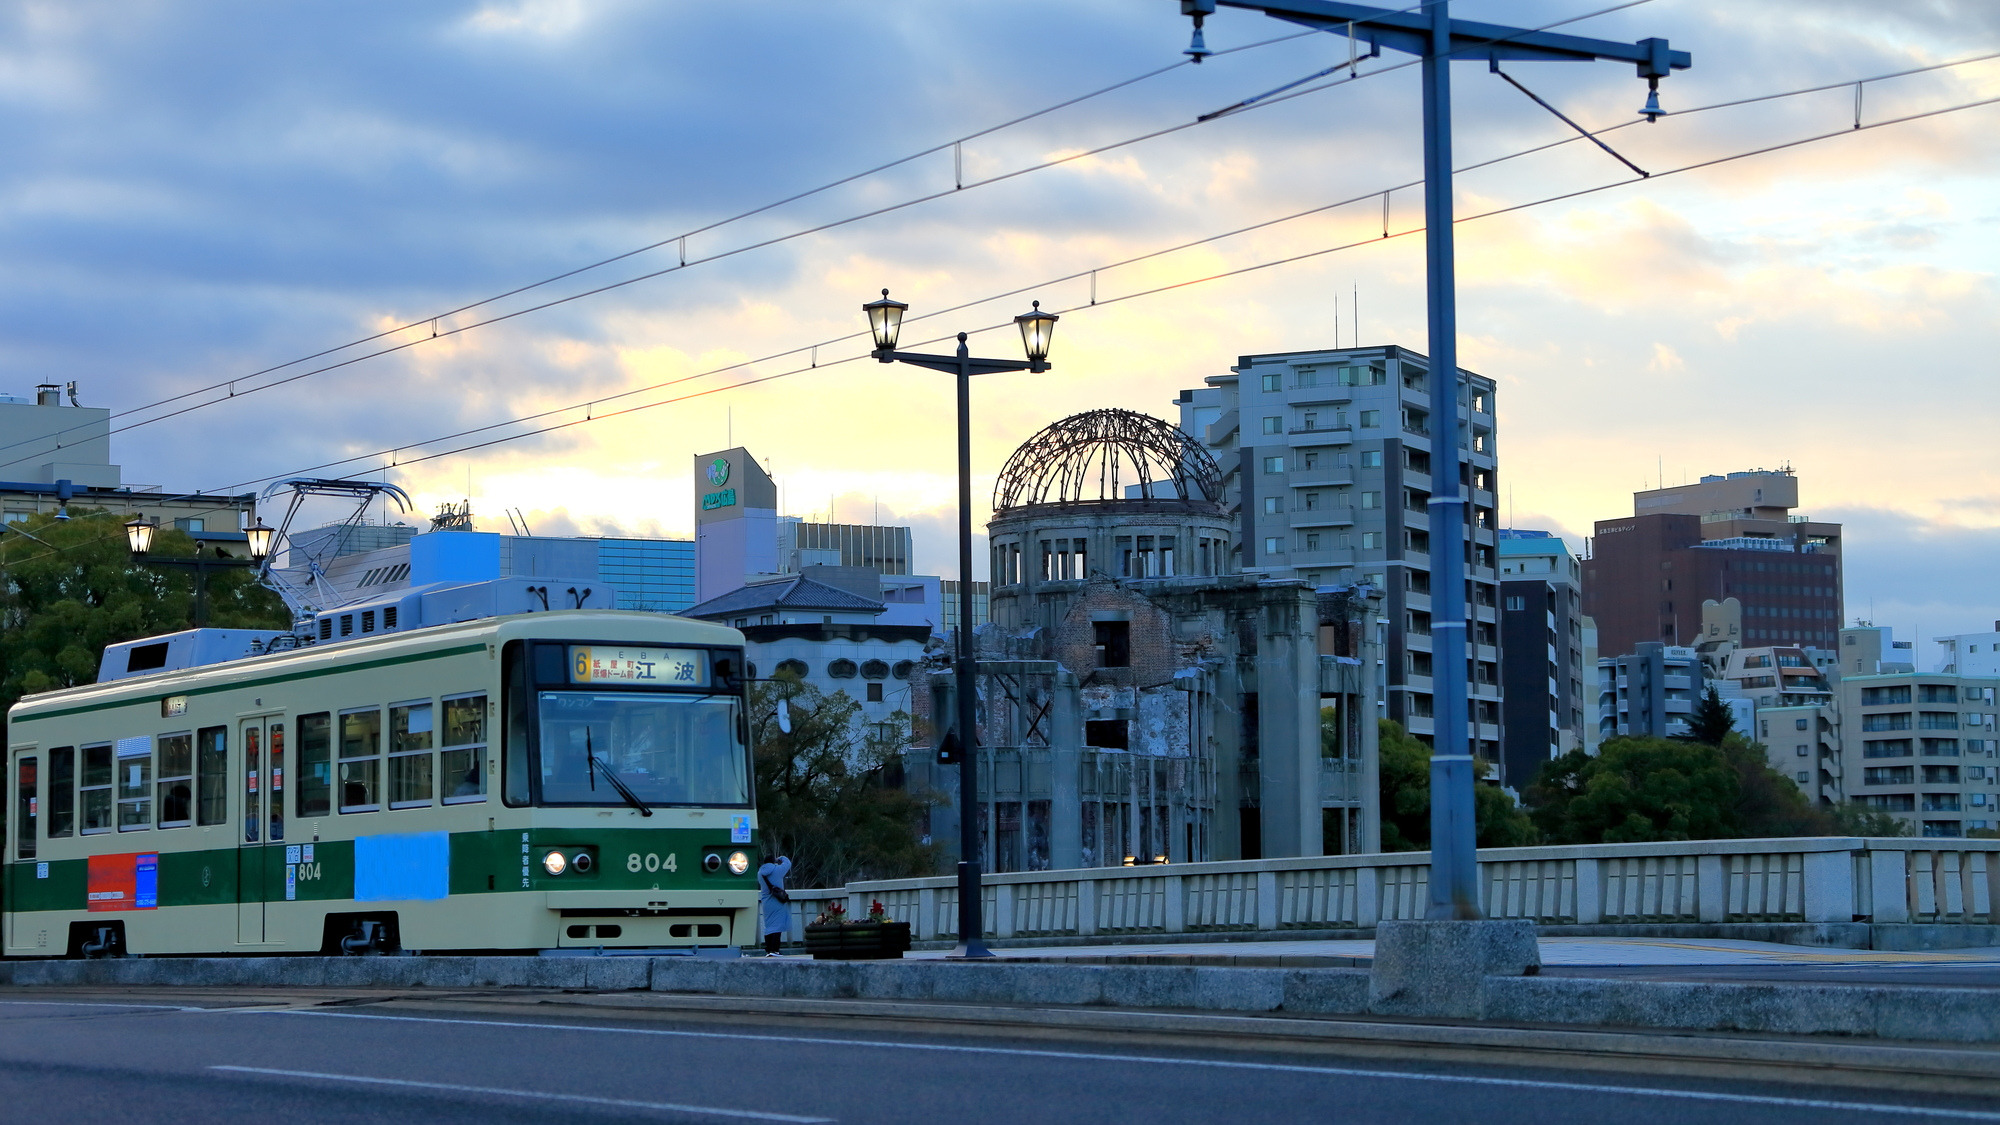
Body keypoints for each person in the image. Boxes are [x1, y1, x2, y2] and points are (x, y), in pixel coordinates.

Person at [757, 853, 792, 956]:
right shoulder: (777, 870)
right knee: (778, 925)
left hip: (766, 902)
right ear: (774, 861)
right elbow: (788, 863)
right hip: (777, 901)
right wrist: (781, 858)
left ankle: (768, 949)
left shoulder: (760, 873)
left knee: (768, 926)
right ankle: (775, 950)